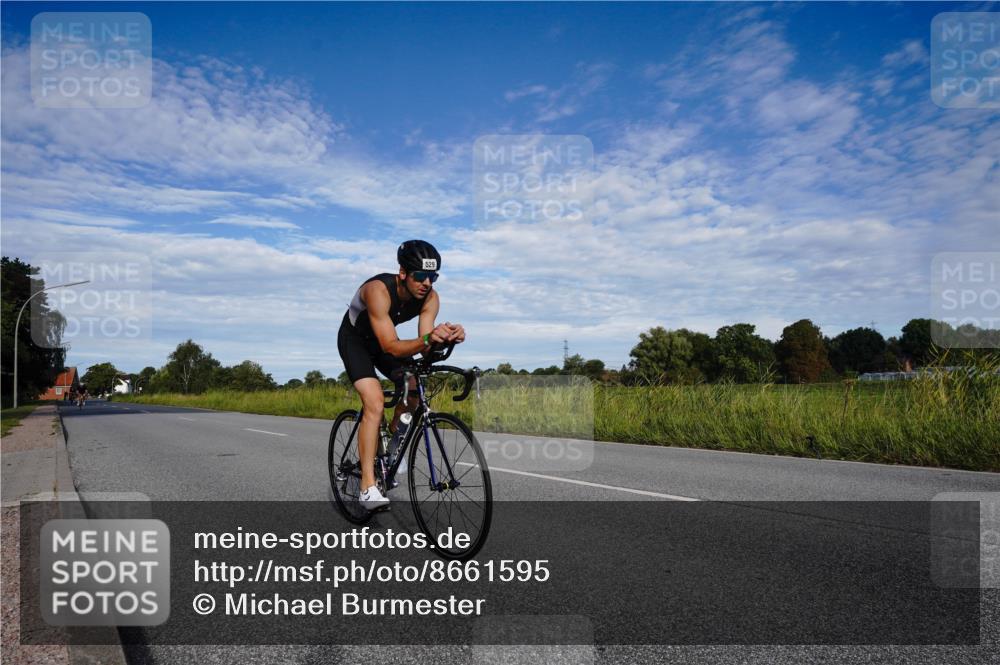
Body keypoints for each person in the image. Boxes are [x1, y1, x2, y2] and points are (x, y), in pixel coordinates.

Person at [337, 240, 465, 510]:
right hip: (357, 342)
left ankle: (392, 446)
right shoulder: (377, 290)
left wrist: (446, 339)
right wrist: (430, 338)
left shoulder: (431, 298)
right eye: (420, 276)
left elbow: (425, 344)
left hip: (387, 342)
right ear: (403, 273)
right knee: (374, 402)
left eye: (433, 276)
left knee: (413, 389)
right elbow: (391, 346)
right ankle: (367, 487)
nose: (427, 283)